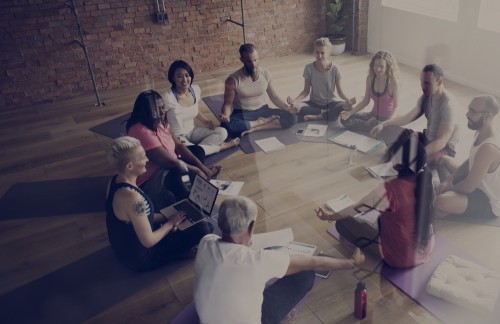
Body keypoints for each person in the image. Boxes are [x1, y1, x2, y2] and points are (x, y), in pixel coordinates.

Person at [194, 196, 365, 324]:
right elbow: (313, 262)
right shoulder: (258, 261)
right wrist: (351, 262)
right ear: (251, 226)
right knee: (305, 276)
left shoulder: (206, 241)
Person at [315, 131, 435, 268]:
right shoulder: (427, 179)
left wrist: (329, 216)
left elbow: (354, 210)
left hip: (401, 258)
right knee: (380, 217)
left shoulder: (390, 190)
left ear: (398, 164)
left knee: (342, 224)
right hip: (426, 249)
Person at [105, 136, 212, 271]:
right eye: (143, 157)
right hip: (142, 258)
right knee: (204, 229)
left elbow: (138, 217)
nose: (147, 160)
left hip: (125, 250)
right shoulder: (133, 198)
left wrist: (169, 215)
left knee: (193, 220)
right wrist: (171, 223)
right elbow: (148, 241)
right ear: (129, 166)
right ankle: (177, 255)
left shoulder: (114, 181)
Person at [126, 90, 221, 210]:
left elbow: (179, 146)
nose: (162, 112)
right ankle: (188, 197)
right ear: (145, 111)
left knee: (197, 151)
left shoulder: (159, 121)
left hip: (170, 165)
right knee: (181, 173)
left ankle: (197, 181)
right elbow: (171, 162)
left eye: (162, 107)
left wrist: (202, 167)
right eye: (156, 109)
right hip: (150, 179)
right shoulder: (140, 131)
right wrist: (197, 169)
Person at [371, 64, 460, 179]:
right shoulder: (426, 97)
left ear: (439, 81)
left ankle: (412, 161)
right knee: (388, 129)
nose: (423, 86)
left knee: (412, 163)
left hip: (443, 148)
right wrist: (383, 124)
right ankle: (405, 156)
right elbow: (407, 117)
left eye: (427, 83)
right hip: (425, 139)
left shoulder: (448, 105)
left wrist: (419, 153)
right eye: (421, 82)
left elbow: (441, 141)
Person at [434, 95, 500, 219]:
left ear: (487, 116)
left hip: (487, 200)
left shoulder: (489, 148)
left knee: (441, 201)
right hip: (477, 179)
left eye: (473, 111)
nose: (467, 114)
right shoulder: (481, 131)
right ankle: (447, 205)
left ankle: (446, 205)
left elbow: (468, 187)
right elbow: (471, 160)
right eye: (469, 109)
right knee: (444, 159)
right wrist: (449, 180)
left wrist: (448, 187)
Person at [219, 43, 299, 137]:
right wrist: (226, 116)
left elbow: (274, 97)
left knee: (292, 117)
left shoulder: (265, 73)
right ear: (242, 60)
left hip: (263, 110)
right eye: (249, 61)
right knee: (226, 127)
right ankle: (261, 122)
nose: (253, 64)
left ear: (258, 57)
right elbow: (228, 104)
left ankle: (256, 127)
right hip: (243, 113)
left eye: (255, 60)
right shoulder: (233, 80)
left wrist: (288, 109)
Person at [164, 60, 239, 156]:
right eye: (179, 76)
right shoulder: (167, 98)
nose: (184, 80)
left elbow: (194, 110)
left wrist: (206, 121)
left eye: (187, 75)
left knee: (222, 132)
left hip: (193, 131)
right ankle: (221, 147)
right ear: (172, 78)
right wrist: (172, 138)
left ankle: (198, 151)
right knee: (188, 152)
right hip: (178, 137)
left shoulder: (195, 90)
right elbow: (161, 122)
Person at [287, 37, 356, 122]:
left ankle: (317, 116)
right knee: (296, 108)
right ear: (314, 52)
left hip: (331, 103)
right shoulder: (308, 68)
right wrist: (295, 101)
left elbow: (340, 92)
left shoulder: (335, 68)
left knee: (347, 106)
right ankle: (325, 114)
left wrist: (348, 100)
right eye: (317, 52)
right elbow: (306, 91)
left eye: (322, 53)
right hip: (314, 103)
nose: (319, 56)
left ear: (328, 53)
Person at [340, 51, 400, 133]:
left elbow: (396, 107)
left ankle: (371, 126)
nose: (378, 69)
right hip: (372, 115)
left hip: (386, 120)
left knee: (377, 124)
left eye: (381, 66)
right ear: (372, 65)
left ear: (388, 67)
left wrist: (386, 123)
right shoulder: (370, 78)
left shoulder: (393, 82)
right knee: (344, 118)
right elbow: (366, 100)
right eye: (376, 65)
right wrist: (350, 113)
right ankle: (370, 126)